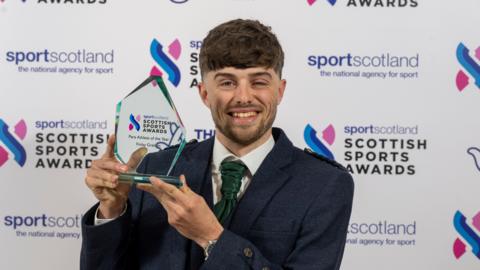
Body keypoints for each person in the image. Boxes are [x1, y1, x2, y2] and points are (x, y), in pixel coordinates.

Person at [81, 19, 354, 270]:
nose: (243, 97)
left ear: (279, 91)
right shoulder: (155, 167)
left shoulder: (325, 184)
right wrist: (112, 210)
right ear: (204, 93)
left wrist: (212, 237)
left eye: (259, 82)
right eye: (227, 82)